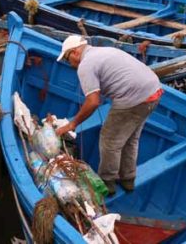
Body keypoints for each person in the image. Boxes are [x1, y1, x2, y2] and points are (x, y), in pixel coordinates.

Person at [55, 35, 162, 195]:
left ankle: (107, 183)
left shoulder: (86, 65)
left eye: (67, 58)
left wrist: (72, 124)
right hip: (154, 91)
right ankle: (128, 179)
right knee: (130, 139)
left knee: (109, 141)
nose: (69, 64)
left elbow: (93, 102)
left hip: (134, 98)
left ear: (76, 52)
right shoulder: (103, 51)